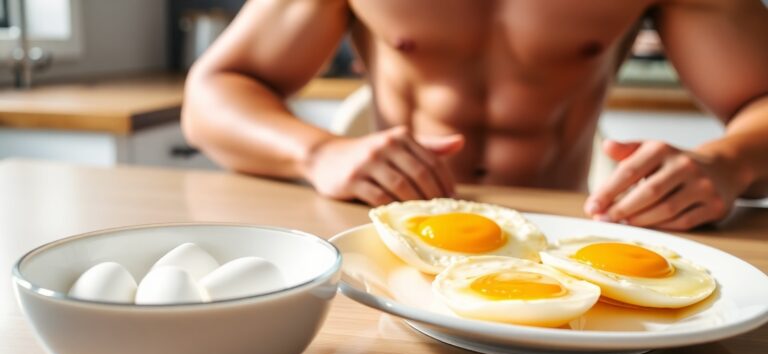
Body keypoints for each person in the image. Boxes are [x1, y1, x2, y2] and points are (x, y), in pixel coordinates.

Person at [182, 0, 768, 231]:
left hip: (557, 237)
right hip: (391, 237)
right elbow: (212, 93)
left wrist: (727, 163)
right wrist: (319, 152)